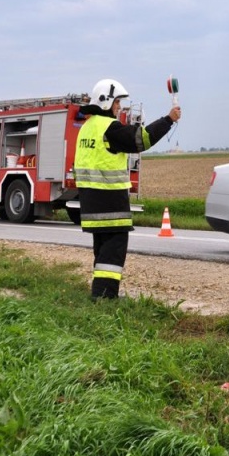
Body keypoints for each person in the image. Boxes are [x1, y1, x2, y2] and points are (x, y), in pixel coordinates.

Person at [74, 79, 181, 299]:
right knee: (113, 250)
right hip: (110, 202)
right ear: (105, 102)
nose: (119, 107)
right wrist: (168, 120)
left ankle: (100, 292)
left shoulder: (86, 127)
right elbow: (141, 139)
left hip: (90, 201)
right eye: (117, 103)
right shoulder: (109, 128)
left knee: (103, 249)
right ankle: (104, 297)